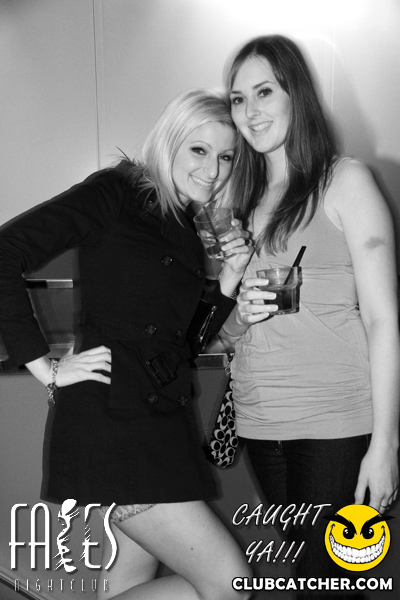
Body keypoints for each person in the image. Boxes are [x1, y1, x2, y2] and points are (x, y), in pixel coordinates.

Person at [0, 89, 259, 599]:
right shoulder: (117, 192)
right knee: (231, 585)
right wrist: (44, 365)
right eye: (199, 150)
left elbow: (183, 344)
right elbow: (5, 251)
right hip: (114, 424)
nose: (213, 170)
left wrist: (229, 277)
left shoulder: (185, 224)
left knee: (129, 587)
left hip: (161, 422)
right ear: (169, 141)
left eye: (226, 157)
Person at [216, 34, 400, 594]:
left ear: (296, 93)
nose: (250, 111)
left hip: (336, 420)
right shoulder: (240, 199)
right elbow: (227, 333)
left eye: (264, 92)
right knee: (305, 575)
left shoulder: (345, 181)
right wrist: (236, 306)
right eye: (238, 99)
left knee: (329, 578)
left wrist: (385, 444)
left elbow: (383, 320)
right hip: (258, 418)